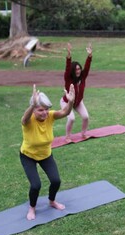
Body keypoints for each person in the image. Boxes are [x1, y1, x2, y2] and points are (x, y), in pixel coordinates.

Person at [20, 84, 75, 220]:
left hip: (45, 154)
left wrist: (71, 101)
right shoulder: (28, 121)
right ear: (33, 110)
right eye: (40, 110)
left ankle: (52, 201)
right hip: (28, 156)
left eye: (46, 109)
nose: (44, 113)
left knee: (56, 181)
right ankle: (32, 207)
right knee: (36, 185)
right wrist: (32, 104)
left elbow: (65, 113)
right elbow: (23, 119)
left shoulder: (50, 116)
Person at [60, 42, 92, 142]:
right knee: (71, 118)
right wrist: (69, 56)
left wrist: (89, 56)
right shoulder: (68, 79)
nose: (78, 71)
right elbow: (67, 68)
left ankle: (83, 134)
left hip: (78, 102)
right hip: (67, 102)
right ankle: (68, 137)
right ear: (73, 71)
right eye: (76, 69)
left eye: (79, 69)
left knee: (86, 117)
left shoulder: (82, 77)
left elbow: (87, 68)